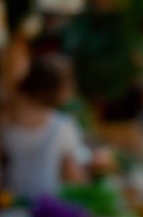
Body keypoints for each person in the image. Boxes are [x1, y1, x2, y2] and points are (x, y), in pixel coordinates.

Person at [1, 54, 88, 200]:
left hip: (9, 204)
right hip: (44, 207)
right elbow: (73, 174)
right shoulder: (62, 127)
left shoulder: (7, 120)